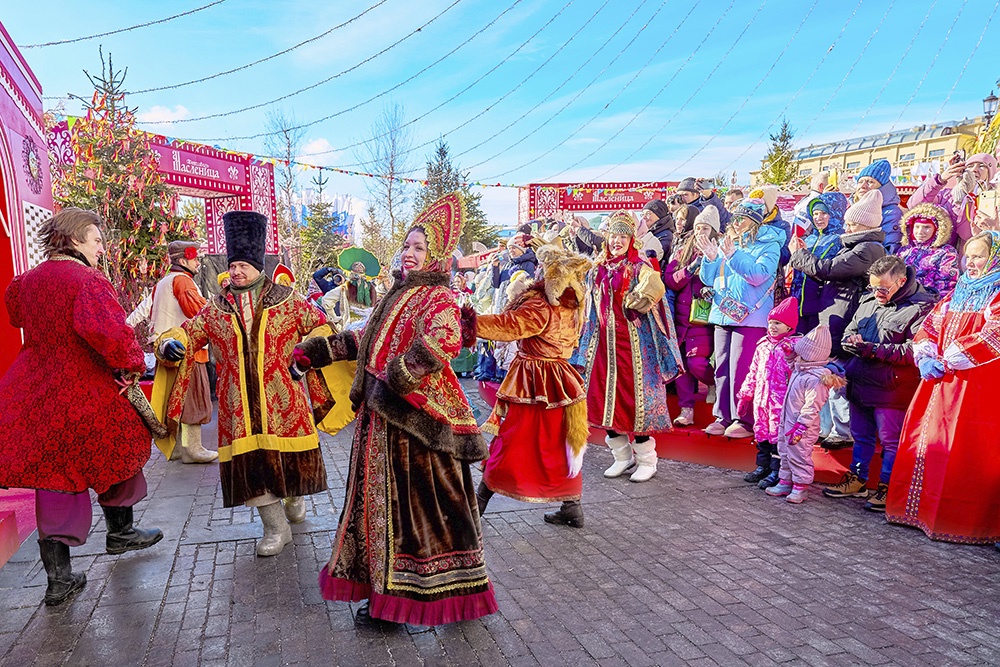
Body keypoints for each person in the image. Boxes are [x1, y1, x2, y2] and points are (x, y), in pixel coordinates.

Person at [294, 193, 499, 626]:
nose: (408, 253)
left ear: (438, 254)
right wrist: (318, 349)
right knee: (396, 511)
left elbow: (443, 340)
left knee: (413, 515)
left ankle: (400, 602)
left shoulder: (437, 297)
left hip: (415, 426)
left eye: (418, 247)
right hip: (383, 419)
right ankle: (398, 591)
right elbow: (364, 337)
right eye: (406, 246)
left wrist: (401, 375)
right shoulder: (398, 294)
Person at [0, 208, 163, 606]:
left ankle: (60, 580)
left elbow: (16, 312)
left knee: (55, 475)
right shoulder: (88, 281)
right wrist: (133, 363)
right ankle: (120, 533)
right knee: (118, 445)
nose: (100, 247)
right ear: (75, 240)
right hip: (85, 388)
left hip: (35, 390)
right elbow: (109, 332)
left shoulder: (26, 282)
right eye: (96, 240)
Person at [156, 211, 331, 557]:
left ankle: (295, 498)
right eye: (232, 265)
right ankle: (275, 529)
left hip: (285, 401)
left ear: (258, 266)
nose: (236, 271)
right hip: (238, 407)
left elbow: (321, 327)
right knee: (252, 470)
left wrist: (307, 355)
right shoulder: (216, 308)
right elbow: (189, 334)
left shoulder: (288, 298)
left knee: (289, 465)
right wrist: (168, 343)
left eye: (243, 266)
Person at [885, 231, 1000, 543]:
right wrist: (924, 354)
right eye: (969, 256)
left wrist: (951, 357)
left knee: (965, 447)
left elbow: (994, 336)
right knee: (931, 440)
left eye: (978, 256)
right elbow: (930, 327)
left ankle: (959, 522)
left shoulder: (997, 294)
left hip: (977, 386)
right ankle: (917, 512)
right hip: (940, 383)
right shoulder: (957, 292)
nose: (971, 262)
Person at [471, 245, 594, 527]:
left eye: (541, 266)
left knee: (511, 439)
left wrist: (468, 322)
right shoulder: (573, 302)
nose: (537, 270)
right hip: (562, 376)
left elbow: (509, 325)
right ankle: (572, 505)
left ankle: (477, 505)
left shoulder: (542, 304)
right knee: (560, 443)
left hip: (534, 379)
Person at [574, 210, 682, 483]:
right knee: (602, 400)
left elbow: (653, 285)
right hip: (601, 347)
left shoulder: (638, 267)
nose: (617, 241)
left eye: (623, 236)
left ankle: (647, 460)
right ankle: (622, 457)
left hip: (633, 348)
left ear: (632, 239)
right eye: (613, 236)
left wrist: (642, 296)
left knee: (635, 401)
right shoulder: (597, 269)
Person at [823, 256, 935, 511]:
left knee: (890, 440)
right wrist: (851, 342)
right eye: (873, 287)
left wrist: (872, 349)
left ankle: (888, 486)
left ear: (902, 281)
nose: (877, 293)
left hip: (892, 387)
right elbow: (848, 332)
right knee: (860, 436)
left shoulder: (921, 307)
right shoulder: (868, 300)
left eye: (883, 289)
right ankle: (858, 479)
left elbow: (914, 352)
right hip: (860, 379)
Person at [789, 189, 887, 449]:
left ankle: (842, 430)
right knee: (825, 370)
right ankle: (826, 426)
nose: (847, 225)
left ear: (866, 224)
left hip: (846, 317)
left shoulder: (868, 249)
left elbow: (827, 270)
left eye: (852, 222)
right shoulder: (856, 246)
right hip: (835, 314)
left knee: (839, 373)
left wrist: (799, 256)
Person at [697, 199, 782, 438]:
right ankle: (722, 415)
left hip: (751, 317)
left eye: (741, 218)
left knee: (742, 368)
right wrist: (711, 257)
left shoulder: (769, 244)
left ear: (754, 220)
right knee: (722, 367)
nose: (736, 222)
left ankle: (743, 418)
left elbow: (758, 275)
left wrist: (733, 255)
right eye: (734, 217)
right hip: (724, 312)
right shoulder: (730, 241)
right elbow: (708, 278)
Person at [149, 239, 218, 464]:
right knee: (193, 399)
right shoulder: (183, 281)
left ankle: (179, 447)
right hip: (186, 349)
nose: (198, 262)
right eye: (194, 258)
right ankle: (193, 448)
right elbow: (198, 313)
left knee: (175, 400)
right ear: (182, 259)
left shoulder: (163, 282)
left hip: (165, 348)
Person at [764, 325, 840, 504]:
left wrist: (802, 426)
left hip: (802, 426)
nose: (797, 356)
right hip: (788, 420)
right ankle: (785, 481)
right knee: (784, 451)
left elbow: (812, 406)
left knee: (799, 455)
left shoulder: (816, 378)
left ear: (811, 355)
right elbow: (792, 364)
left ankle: (800, 486)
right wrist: (790, 354)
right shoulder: (802, 368)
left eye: (801, 353)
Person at [663, 205, 718, 427]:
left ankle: (712, 381)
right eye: (697, 228)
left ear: (713, 230)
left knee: (696, 363)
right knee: (682, 366)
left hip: (705, 319)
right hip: (681, 317)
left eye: (705, 228)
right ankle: (686, 410)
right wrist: (689, 269)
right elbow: (671, 280)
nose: (700, 232)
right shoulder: (683, 250)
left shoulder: (720, 249)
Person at [736, 297, 799, 488]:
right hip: (761, 401)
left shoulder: (792, 348)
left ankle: (776, 471)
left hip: (780, 403)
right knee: (762, 434)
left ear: (789, 327)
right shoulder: (762, 345)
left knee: (776, 438)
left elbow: (796, 376)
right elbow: (753, 371)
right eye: (770, 322)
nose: (772, 326)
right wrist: (746, 394)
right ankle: (762, 466)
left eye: (778, 323)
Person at [907, 152, 998, 249]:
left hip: (975, 255)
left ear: (990, 173)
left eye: (982, 166)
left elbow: (966, 234)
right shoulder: (947, 195)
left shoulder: (993, 199)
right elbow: (915, 205)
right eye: (970, 165)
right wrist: (940, 180)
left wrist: (968, 199)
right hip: (938, 256)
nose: (974, 169)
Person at [896, 203, 959, 296]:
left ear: (937, 229)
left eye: (927, 227)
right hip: (901, 299)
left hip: (927, 300)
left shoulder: (946, 252)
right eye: (917, 227)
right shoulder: (904, 251)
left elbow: (946, 285)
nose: (920, 232)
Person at [853, 159, 903, 253]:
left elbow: (890, 250)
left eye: (870, 182)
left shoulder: (891, 213)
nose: (863, 186)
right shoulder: (852, 207)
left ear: (882, 187)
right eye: (860, 181)